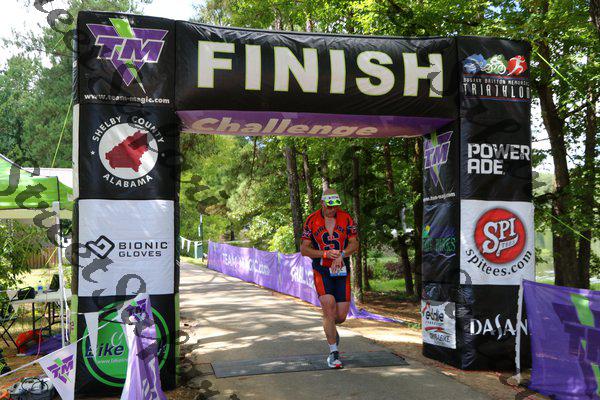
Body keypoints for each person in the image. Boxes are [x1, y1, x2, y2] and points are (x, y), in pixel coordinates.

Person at [300, 189, 358, 369]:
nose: (333, 210)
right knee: (328, 306)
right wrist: (324, 254)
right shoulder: (311, 220)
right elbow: (304, 249)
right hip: (322, 270)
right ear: (322, 203)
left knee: (339, 316)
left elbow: (355, 244)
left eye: (336, 207)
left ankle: (330, 325)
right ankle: (334, 353)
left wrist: (342, 254)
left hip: (341, 270)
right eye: (330, 206)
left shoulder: (346, 218)